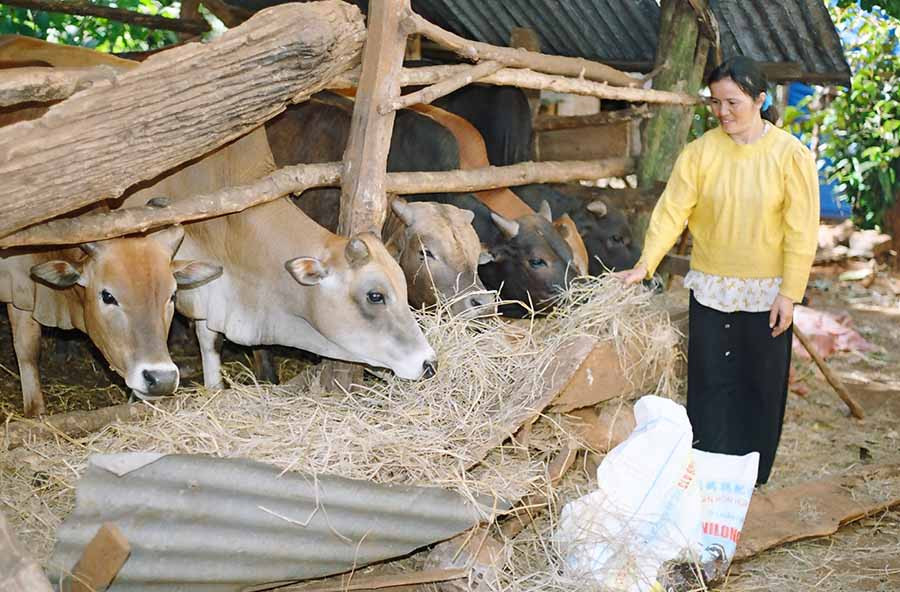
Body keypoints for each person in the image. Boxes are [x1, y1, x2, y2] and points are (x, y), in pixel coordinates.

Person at [619, 56, 819, 485]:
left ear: (760, 100)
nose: (723, 112)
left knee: (760, 385)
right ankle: (707, 469)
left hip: (768, 292)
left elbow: (801, 230)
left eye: (733, 102)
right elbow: (671, 212)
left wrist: (791, 292)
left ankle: (753, 476)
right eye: (716, 103)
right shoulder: (700, 152)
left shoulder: (790, 156)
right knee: (709, 381)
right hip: (711, 286)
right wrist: (646, 263)